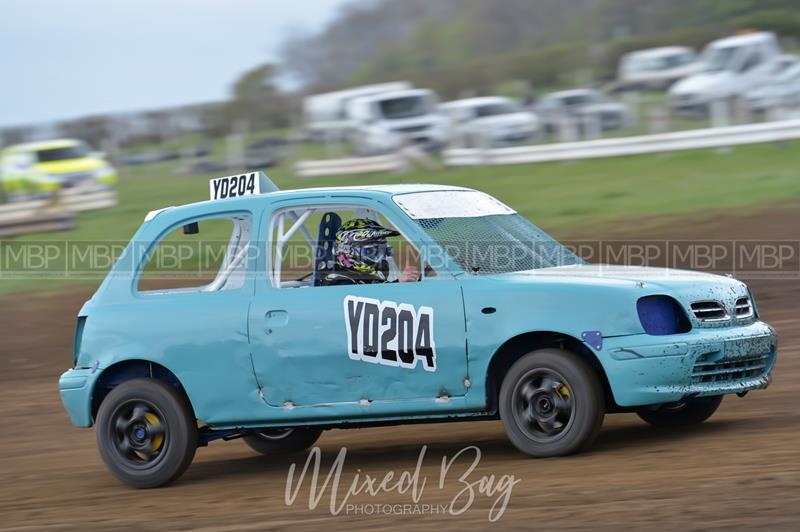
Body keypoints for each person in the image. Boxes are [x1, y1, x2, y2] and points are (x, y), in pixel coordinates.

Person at [323, 218, 419, 285]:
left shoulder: (366, 277)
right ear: (348, 252)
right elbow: (363, 303)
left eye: (383, 251)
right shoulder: (337, 280)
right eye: (371, 252)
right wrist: (398, 283)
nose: (381, 259)